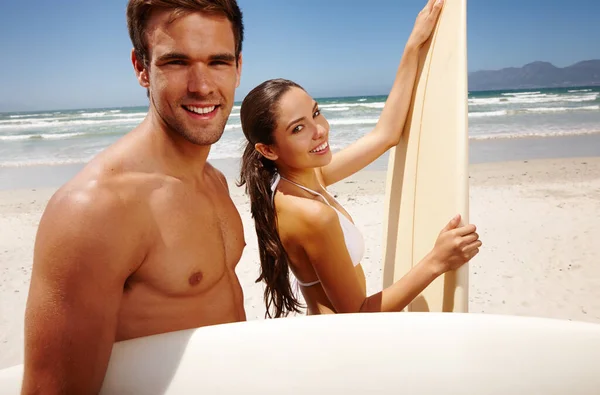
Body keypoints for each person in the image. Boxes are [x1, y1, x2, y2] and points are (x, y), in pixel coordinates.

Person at [21, 0, 246, 393]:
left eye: (218, 62)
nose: (202, 85)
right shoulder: (97, 208)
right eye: (176, 62)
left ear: (238, 67)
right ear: (141, 68)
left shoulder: (213, 180)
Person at [238, 0, 482, 319]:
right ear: (268, 150)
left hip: (341, 335)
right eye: (298, 128)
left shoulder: (305, 179)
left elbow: (386, 135)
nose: (320, 131)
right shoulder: (310, 214)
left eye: (316, 113)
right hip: (341, 344)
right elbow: (359, 312)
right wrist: (437, 260)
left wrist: (413, 46)